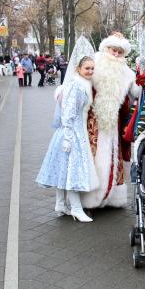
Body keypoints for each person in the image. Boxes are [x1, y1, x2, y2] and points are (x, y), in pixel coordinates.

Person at [80, 32, 143, 210]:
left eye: (119, 52)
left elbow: (137, 93)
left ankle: (113, 196)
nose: (115, 54)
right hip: (92, 121)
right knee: (93, 156)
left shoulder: (127, 73)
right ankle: (90, 197)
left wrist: (142, 79)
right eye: (113, 50)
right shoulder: (95, 63)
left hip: (114, 123)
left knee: (113, 157)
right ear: (106, 48)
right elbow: (79, 80)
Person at [35, 55, 99, 222]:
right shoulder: (75, 86)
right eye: (87, 68)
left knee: (63, 169)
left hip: (71, 132)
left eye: (92, 68)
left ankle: (60, 204)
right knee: (73, 171)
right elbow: (68, 113)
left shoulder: (78, 84)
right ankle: (76, 208)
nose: (90, 71)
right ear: (78, 69)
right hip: (70, 133)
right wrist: (69, 137)